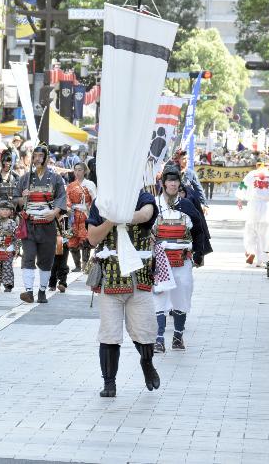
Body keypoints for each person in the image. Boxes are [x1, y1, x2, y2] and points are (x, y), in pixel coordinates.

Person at [86, 189, 160, 398]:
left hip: (139, 276)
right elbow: (92, 238)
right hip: (110, 276)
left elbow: (146, 214)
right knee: (109, 333)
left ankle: (147, 362)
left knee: (145, 329)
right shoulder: (101, 201)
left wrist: (121, 216)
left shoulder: (142, 196)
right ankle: (109, 383)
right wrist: (111, 220)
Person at [152, 164, 208, 353]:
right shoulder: (153, 205)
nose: (173, 184)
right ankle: (159, 338)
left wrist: (199, 252)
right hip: (160, 260)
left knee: (181, 296)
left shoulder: (187, 205)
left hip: (182, 260)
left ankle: (178, 335)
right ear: (164, 183)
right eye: (169, 180)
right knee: (159, 295)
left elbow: (199, 230)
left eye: (176, 180)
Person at [14, 143, 67, 303]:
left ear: (46, 158)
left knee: (46, 260)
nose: (37, 159)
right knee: (28, 257)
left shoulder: (56, 178)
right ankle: (29, 291)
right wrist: (23, 198)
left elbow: (61, 198)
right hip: (30, 224)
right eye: (35, 156)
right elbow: (16, 200)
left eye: (40, 156)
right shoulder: (25, 178)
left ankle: (42, 291)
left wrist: (55, 212)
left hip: (48, 224)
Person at [236, 163, 269, 267]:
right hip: (266, 206)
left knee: (251, 231)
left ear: (257, 166)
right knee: (264, 234)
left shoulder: (251, 174)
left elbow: (242, 185)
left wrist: (240, 199)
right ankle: (261, 260)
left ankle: (251, 251)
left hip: (253, 205)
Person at [65, 162, 97, 271]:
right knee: (72, 239)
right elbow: (67, 199)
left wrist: (91, 209)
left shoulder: (90, 184)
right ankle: (77, 265)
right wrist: (68, 208)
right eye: (76, 170)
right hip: (73, 215)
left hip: (85, 213)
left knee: (85, 239)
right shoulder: (70, 186)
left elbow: (95, 199)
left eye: (80, 170)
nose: (77, 172)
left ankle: (85, 264)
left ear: (84, 171)